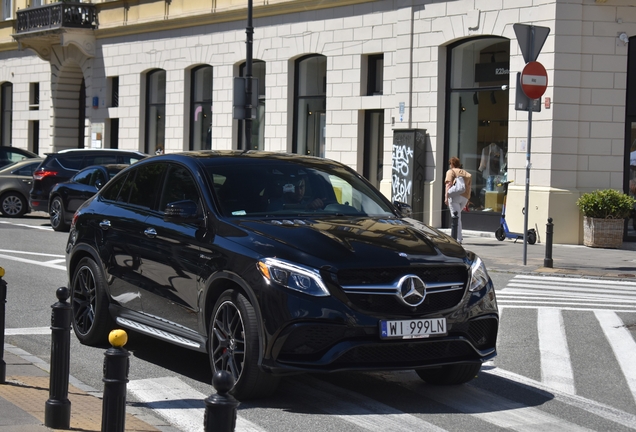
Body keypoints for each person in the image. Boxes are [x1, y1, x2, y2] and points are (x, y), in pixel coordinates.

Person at [445, 157, 472, 244]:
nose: (450, 165)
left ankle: (457, 239)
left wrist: (446, 197)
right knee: (458, 216)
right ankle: (458, 236)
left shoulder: (451, 171)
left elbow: (448, 185)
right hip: (465, 197)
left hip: (455, 197)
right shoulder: (466, 173)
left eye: (450, 163)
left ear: (452, 164)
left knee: (456, 218)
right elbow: (469, 187)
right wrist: (468, 199)